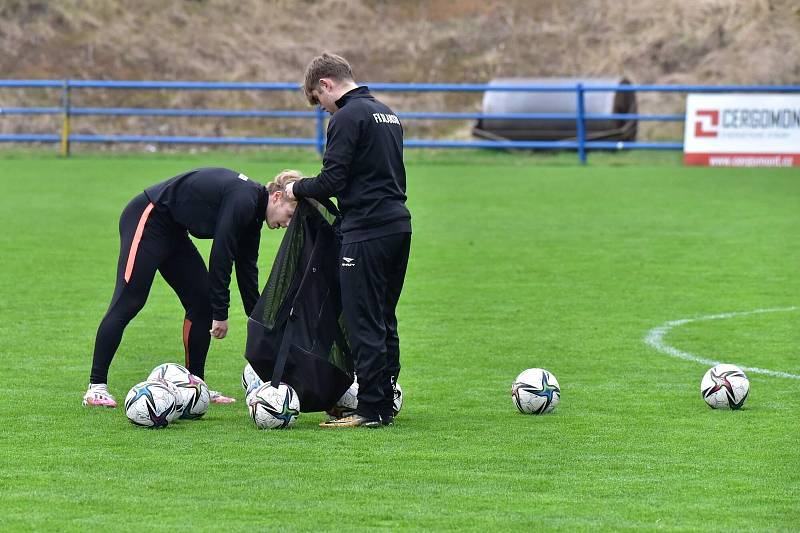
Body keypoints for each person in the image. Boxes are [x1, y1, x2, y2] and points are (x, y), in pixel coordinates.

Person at [83, 168, 301, 408]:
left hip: (173, 231)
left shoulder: (253, 216)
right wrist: (221, 314)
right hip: (148, 218)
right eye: (290, 214)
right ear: (277, 197)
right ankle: (96, 387)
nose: (288, 224)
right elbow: (221, 256)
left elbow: (247, 270)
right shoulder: (244, 199)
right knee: (129, 300)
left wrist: (260, 324)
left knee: (201, 303)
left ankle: (195, 385)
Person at [286, 52, 411, 428]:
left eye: (318, 101)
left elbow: (331, 181)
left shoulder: (346, 117)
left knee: (363, 321)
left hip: (366, 232)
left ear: (326, 84)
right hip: (398, 226)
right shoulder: (387, 113)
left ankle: (371, 410)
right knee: (384, 318)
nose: (323, 110)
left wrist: (295, 188)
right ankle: (384, 402)